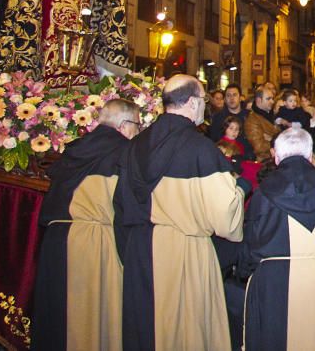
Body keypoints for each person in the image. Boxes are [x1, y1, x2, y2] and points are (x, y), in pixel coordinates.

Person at [115, 74, 245, 350]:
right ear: (190, 102)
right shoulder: (200, 148)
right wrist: (241, 189)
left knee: (146, 331)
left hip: (140, 249)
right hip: (184, 252)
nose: (204, 106)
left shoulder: (135, 144)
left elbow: (120, 203)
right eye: (202, 100)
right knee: (186, 332)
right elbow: (224, 214)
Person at [237, 128, 315, 351]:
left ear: (276, 157)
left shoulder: (262, 194)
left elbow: (249, 243)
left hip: (273, 282)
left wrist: (247, 273)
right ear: (310, 157)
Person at [32, 99, 141, 350]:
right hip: (94, 242)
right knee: (91, 321)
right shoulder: (124, 152)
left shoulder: (74, 149)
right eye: (137, 125)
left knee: (59, 319)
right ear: (124, 126)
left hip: (56, 240)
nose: (138, 131)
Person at [245, 84, 281, 163]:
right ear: (259, 100)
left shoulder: (273, 115)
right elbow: (259, 147)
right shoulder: (252, 120)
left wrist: (270, 138)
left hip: (276, 159)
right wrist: (276, 141)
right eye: (268, 99)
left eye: (272, 98)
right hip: (265, 162)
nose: (272, 101)